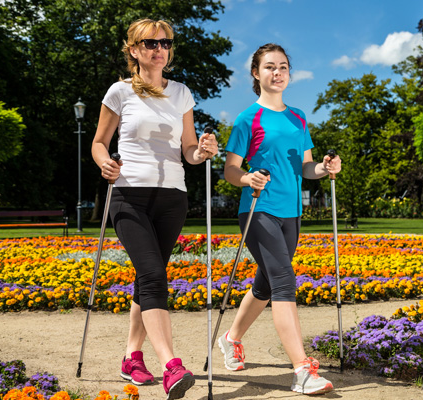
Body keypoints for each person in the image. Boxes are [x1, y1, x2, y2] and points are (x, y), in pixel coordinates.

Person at [91, 18, 218, 400]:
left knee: (148, 279)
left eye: (165, 43)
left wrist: (204, 151)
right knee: (152, 274)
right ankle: (171, 365)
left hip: (172, 197)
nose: (158, 49)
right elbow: (99, 142)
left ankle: (132, 357)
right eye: (150, 43)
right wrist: (103, 163)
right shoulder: (119, 92)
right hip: (129, 194)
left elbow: (189, 150)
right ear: (134, 50)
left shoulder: (181, 93)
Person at [221, 43, 341, 395]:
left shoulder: (298, 117)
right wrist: (246, 178)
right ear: (256, 74)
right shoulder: (248, 118)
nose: (278, 72)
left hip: (292, 213)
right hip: (258, 209)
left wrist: (325, 168)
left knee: (268, 284)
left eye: (284, 66)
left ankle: (231, 338)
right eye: (270, 66)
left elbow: (306, 166)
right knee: (285, 283)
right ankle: (302, 370)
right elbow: (230, 169)